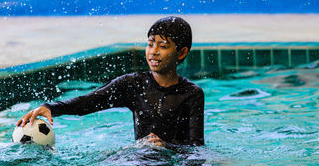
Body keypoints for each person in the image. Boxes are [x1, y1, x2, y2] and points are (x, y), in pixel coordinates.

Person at [17, 16, 204, 147]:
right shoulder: (134, 85)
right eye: (150, 43)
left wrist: (167, 147)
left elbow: (197, 148)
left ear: (181, 52)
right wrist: (51, 107)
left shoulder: (192, 94)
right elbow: (88, 102)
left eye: (163, 46)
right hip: (139, 161)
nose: (153, 51)